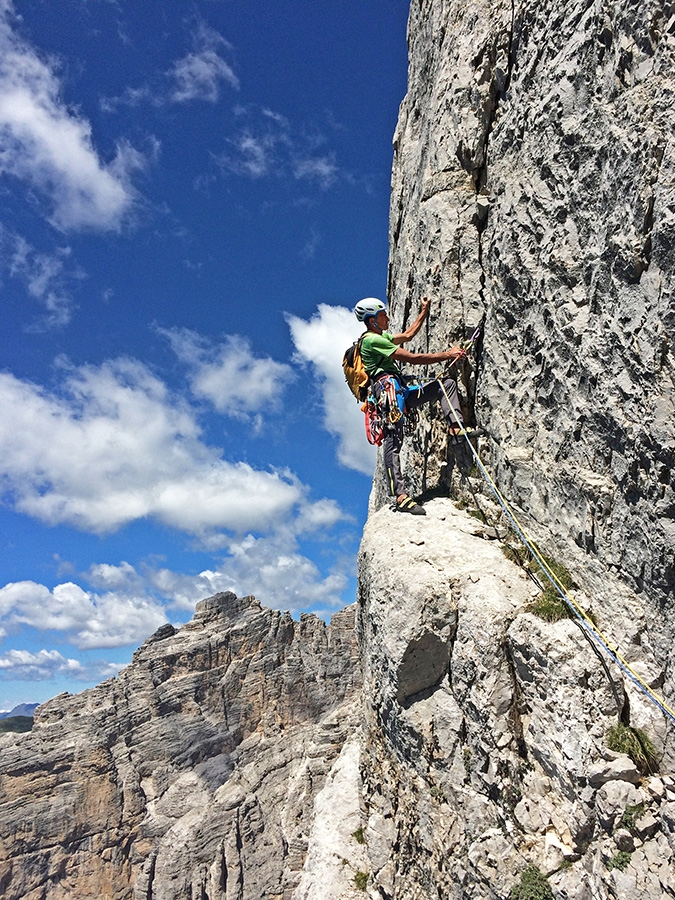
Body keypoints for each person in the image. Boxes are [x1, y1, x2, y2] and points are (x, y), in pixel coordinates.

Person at [355, 296, 481, 516]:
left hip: (400, 390)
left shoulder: (381, 336)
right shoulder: (371, 341)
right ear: (372, 320)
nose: (388, 318)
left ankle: (456, 429)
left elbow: (408, 335)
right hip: (388, 393)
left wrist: (424, 310)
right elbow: (413, 358)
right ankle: (401, 496)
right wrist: (447, 355)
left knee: (446, 385)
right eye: (383, 315)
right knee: (393, 439)